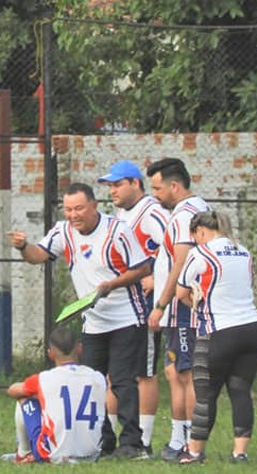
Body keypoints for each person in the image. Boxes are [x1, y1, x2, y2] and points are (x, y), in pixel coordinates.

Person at [8, 182, 150, 460]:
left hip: (126, 317)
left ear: (94, 206)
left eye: (79, 208)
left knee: (122, 381)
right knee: (89, 380)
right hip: (93, 321)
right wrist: (23, 246)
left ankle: (133, 443)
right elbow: (39, 256)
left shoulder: (117, 231)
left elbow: (143, 268)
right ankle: (104, 439)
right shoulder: (63, 231)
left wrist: (112, 284)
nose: (73, 215)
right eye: (68, 209)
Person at [175, 211, 257, 464]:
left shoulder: (200, 253)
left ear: (200, 231)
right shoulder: (244, 252)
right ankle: (240, 453)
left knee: (206, 393)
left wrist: (194, 300)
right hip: (253, 330)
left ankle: (193, 452)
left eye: (196, 237)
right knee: (240, 390)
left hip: (219, 331)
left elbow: (180, 291)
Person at [98, 160, 170, 455]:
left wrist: (156, 276)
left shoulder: (152, 211)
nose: (112, 190)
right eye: (110, 185)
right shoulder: (121, 213)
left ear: (135, 184)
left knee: (143, 373)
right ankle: (111, 437)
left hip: (146, 304)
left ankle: (144, 439)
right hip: (123, 306)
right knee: (116, 375)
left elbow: (175, 245)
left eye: (117, 184)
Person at [145, 158, 211, 461]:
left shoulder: (186, 214)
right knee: (175, 372)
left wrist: (161, 304)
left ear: (174, 186)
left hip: (181, 309)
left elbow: (182, 263)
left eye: (158, 188)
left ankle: (189, 443)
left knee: (184, 374)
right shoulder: (191, 210)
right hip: (177, 308)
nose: (155, 194)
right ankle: (178, 438)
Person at [6, 326, 106, 463]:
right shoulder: (98, 377)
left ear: (50, 353)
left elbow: (12, 390)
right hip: (92, 455)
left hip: (53, 455)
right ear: (80, 349)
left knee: (24, 396)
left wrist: (39, 394)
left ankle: (23, 452)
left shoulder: (43, 378)